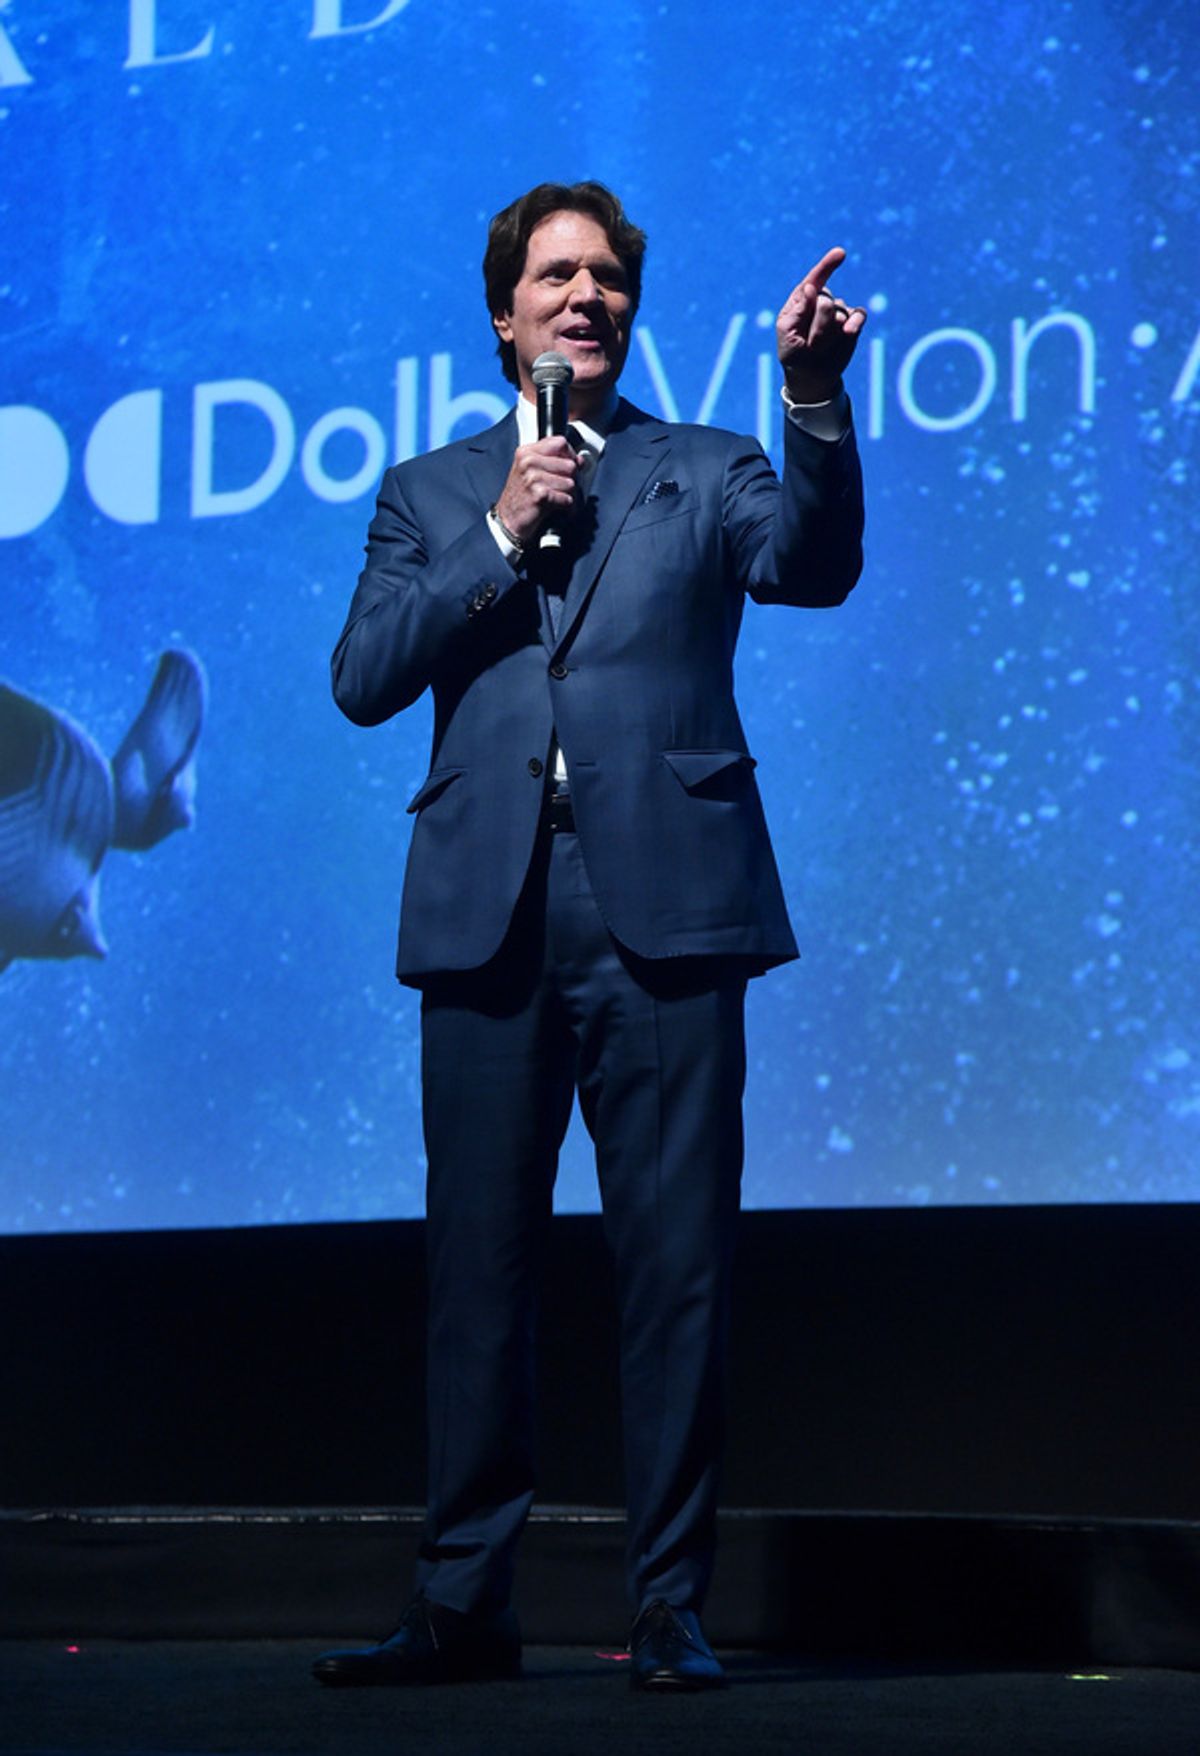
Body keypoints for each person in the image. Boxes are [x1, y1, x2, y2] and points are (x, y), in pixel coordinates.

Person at [315, 181, 865, 1693]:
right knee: (476, 1276)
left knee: (674, 1267)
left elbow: (812, 566)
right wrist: (500, 531)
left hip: (670, 914)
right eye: (555, 275)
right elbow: (362, 677)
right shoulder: (431, 494)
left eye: (607, 276)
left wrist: (811, 395)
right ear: (506, 315)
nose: (583, 294)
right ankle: (462, 1605)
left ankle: (669, 1606)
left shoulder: (706, 466)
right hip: (488, 912)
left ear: (629, 308)